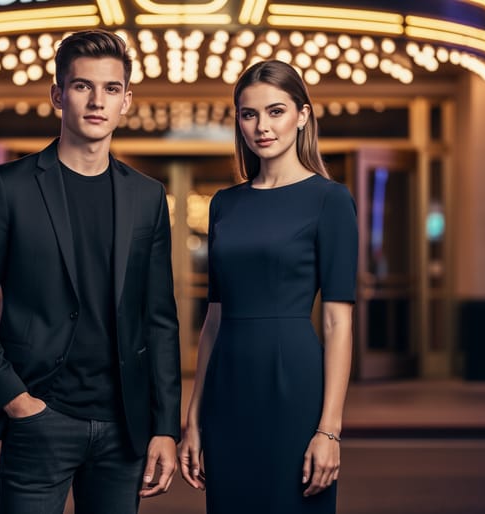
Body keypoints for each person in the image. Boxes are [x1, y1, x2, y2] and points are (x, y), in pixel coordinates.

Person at [0, 29, 181, 514]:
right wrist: (15, 399)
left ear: (126, 101)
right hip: (40, 418)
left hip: (124, 427)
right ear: (58, 94)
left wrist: (165, 425)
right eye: (82, 86)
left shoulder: (147, 197)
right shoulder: (7, 188)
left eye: (111, 89)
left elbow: (159, 319)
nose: (97, 101)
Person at [179, 60, 358, 513]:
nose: (262, 126)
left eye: (275, 111)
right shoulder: (224, 204)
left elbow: (338, 323)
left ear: (302, 115)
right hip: (228, 387)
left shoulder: (330, 200)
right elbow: (213, 322)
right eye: (249, 114)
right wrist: (194, 419)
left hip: (292, 383)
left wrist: (329, 430)